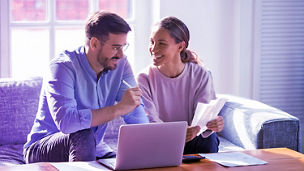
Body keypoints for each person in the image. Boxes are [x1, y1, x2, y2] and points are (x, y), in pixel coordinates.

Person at [23, 11, 149, 163]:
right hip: (42, 147)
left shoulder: (120, 64)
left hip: (93, 146)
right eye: (116, 47)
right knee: (82, 134)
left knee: (124, 163)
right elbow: (67, 123)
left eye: (123, 47)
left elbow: (135, 110)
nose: (121, 55)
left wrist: (150, 144)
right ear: (95, 43)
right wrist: (119, 108)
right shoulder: (62, 67)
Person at [137, 16, 224, 154]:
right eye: (152, 42)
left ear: (180, 46)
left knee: (209, 138)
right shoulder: (144, 78)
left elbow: (203, 117)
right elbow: (150, 121)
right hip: (161, 141)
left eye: (161, 43)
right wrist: (178, 134)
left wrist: (212, 123)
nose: (153, 49)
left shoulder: (200, 74)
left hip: (194, 139)